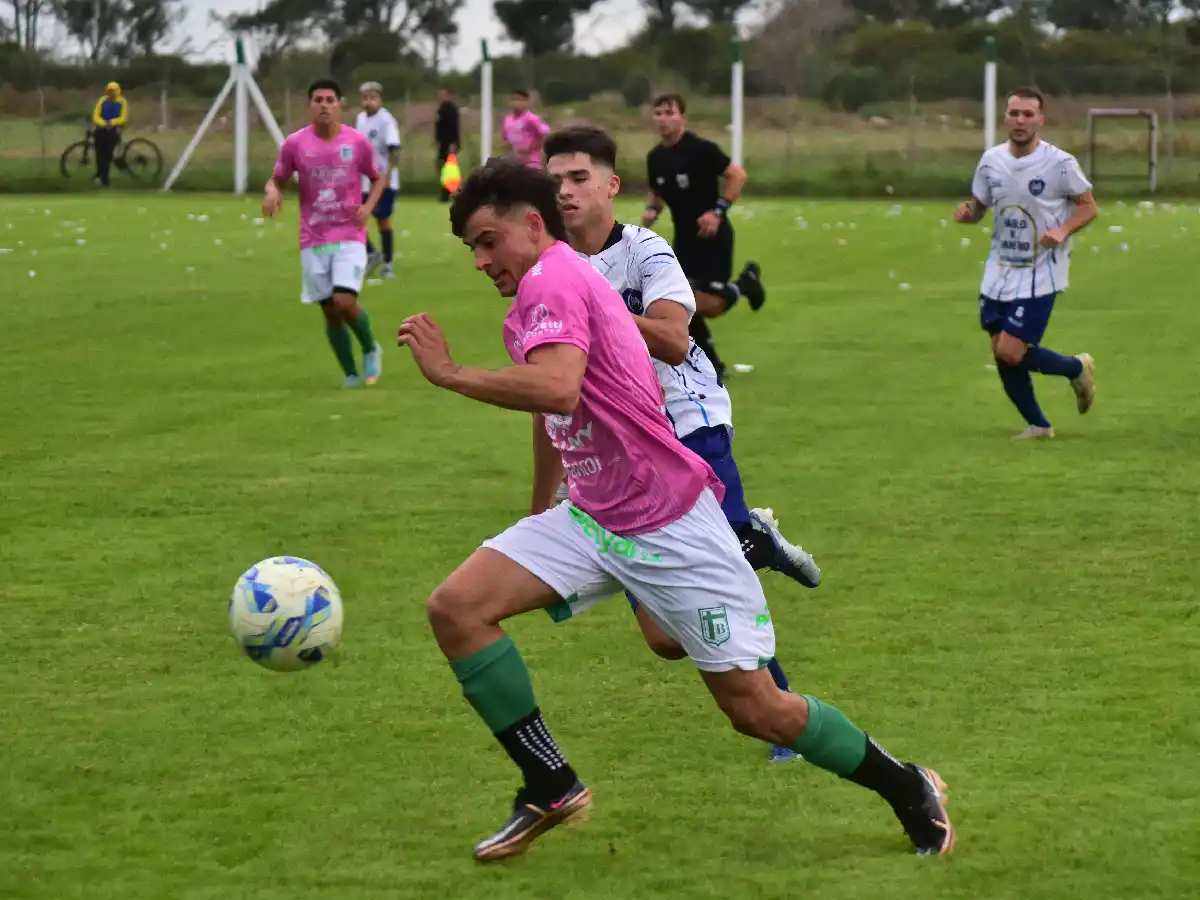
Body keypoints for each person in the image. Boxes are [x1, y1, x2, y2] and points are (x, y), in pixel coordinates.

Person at [397, 158, 955, 863]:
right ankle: (549, 781)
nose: (480, 261)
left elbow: (557, 388)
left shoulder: (553, 279)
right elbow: (557, 409)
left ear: (532, 225)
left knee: (757, 709)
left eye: (487, 241)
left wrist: (450, 374)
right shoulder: (553, 280)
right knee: (457, 609)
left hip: (666, 520)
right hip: (595, 515)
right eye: (470, 249)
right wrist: (539, 510)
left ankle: (907, 785)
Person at [544, 124, 820, 763]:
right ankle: (756, 540)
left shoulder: (645, 250)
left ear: (611, 186)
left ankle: (783, 718)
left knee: (715, 573)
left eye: (579, 177)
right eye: (554, 180)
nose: (565, 191)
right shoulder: (551, 268)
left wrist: (596, 311)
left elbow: (672, 340)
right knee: (666, 637)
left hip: (687, 419)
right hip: (620, 443)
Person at [954, 87, 1097, 439]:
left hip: (1041, 270)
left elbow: (1088, 206)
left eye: (1028, 114)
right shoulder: (991, 160)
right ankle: (1038, 426)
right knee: (1001, 351)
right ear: (1005, 117)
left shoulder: (1059, 163)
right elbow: (980, 205)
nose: (1020, 120)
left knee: (1010, 349)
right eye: (1014, 113)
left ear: (1040, 120)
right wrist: (969, 213)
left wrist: (1061, 231)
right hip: (999, 269)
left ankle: (1076, 368)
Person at [263, 79, 386, 388]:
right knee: (330, 311)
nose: (324, 105)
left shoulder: (356, 142)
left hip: (349, 235)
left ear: (340, 105)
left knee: (344, 301)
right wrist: (272, 192)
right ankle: (350, 374)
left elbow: (377, 178)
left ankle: (371, 348)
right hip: (313, 238)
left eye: (330, 100)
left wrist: (368, 207)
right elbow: (276, 178)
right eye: (318, 100)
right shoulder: (295, 143)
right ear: (309, 106)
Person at [642, 92, 763, 380]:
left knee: (711, 305)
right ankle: (712, 365)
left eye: (669, 112)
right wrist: (652, 209)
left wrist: (717, 212)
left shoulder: (701, 149)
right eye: (658, 113)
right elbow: (658, 190)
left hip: (713, 237)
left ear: (683, 118)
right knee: (679, 304)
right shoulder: (655, 158)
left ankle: (745, 284)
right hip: (683, 239)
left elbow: (737, 175)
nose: (663, 119)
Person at [355, 81, 402, 280]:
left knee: (383, 221)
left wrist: (388, 176)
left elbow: (394, 150)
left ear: (379, 99)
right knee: (354, 217)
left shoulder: (386, 121)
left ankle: (388, 264)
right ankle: (372, 253)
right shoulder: (360, 119)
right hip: (363, 181)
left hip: (382, 181)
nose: (369, 101)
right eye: (365, 98)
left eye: (372, 97)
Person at [501, 89, 551, 170]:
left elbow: (545, 134)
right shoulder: (507, 119)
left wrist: (531, 147)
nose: (516, 103)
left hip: (532, 162)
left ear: (527, 102)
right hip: (514, 162)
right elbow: (505, 138)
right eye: (514, 99)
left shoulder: (531, 118)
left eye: (520, 100)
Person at [91, 81, 128, 187]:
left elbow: (124, 118)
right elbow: (95, 116)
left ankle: (104, 180)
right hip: (101, 130)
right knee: (99, 155)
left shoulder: (122, 102)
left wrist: (112, 123)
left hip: (114, 131)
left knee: (106, 156)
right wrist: (103, 123)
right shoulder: (102, 100)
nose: (112, 93)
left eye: (114, 91)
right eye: (110, 91)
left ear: (118, 91)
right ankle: (101, 176)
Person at [434, 88, 461, 203]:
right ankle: (446, 192)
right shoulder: (440, 109)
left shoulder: (452, 110)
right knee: (441, 167)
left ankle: (452, 193)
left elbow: (455, 127)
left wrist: (454, 143)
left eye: (443, 95)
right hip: (442, 143)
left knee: (450, 170)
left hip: (450, 144)